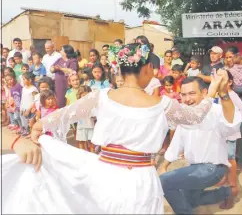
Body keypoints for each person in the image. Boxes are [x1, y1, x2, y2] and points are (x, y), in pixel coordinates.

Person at [2, 41, 224, 214]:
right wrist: (211, 91)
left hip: (104, 173)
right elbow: (196, 117)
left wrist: (39, 126)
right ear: (147, 68)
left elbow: (67, 113)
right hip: (140, 178)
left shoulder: (102, 97)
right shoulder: (163, 105)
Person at [159, 74, 242, 214]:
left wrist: (224, 94)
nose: (187, 99)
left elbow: (231, 126)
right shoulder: (186, 115)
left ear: (204, 93)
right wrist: (164, 165)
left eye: (192, 93)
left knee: (163, 182)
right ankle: (226, 193)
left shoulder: (216, 111)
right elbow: (177, 142)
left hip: (212, 169)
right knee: (188, 199)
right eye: (183, 94)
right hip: (194, 168)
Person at [76, 85, 95, 152]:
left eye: (87, 95)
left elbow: (94, 114)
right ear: (80, 95)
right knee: (81, 142)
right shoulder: (77, 104)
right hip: (81, 126)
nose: (86, 97)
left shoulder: (92, 104)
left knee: (91, 143)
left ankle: (93, 156)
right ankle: (82, 156)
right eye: (84, 95)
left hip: (90, 126)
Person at [20, 72, 38, 137]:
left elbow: (35, 100)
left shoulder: (33, 89)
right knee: (25, 122)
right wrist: (21, 108)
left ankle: (32, 133)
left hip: (30, 109)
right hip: (24, 108)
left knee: (31, 123)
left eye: (24, 79)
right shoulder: (23, 88)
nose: (23, 81)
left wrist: (29, 109)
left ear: (30, 80)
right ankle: (27, 131)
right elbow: (22, 99)